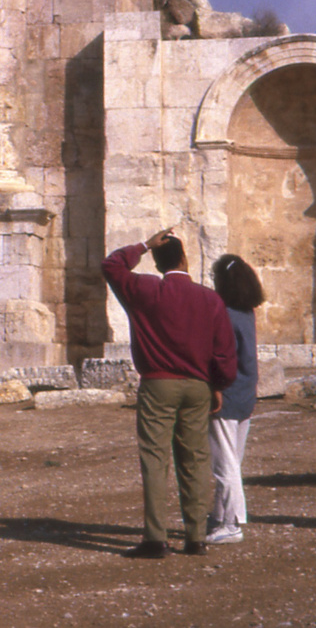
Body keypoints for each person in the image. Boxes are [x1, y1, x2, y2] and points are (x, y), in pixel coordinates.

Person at [103, 228, 237, 558]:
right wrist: (218, 385)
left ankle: (156, 538)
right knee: (194, 459)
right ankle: (195, 537)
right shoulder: (210, 299)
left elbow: (112, 266)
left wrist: (144, 245)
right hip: (198, 386)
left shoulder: (145, 290)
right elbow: (224, 351)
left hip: (157, 383)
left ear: (159, 262)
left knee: (155, 458)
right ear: (185, 259)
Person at [207, 253, 265, 544]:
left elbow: (222, 357)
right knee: (233, 460)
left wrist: (214, 387)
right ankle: (219, 517)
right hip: (245, 395)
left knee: (224, 465)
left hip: (226, 395)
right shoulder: (246, 313)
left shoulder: (225, 315)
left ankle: (231, 524)